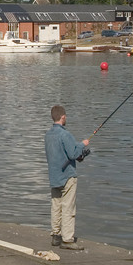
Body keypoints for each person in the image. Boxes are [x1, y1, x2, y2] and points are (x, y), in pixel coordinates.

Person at [44, 105, 89, 251]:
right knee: (68, 207)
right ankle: (67, 240)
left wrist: (78, 147)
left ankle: (55, 236)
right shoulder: (65, 134)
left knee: (56, 206)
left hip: (54, 175)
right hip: (67, 175)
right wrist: (83, 144)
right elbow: (73, 154)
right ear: (63, 117)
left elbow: (63, 150)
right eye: (66, 116)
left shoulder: (48, 135)